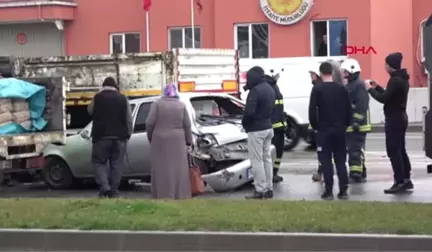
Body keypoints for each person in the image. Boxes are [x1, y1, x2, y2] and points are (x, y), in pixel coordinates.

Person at [366, 52, 413, 194]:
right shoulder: (401, 79)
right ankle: (406, 178)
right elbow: (389, 94)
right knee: (400, 149)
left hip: (394, 119)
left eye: (386, 64)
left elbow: (384, 98)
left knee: (393, 150)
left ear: (390, 66)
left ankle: (399, 181)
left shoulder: (395, 81)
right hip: (401, 117)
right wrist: (377, 87)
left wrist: (370, 90)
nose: (384, 66)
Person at [308, 62, 352, 200]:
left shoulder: (317, 90)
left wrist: (316, 126)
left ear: (321, 73)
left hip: (324, 130)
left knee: (326, 161)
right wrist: (345, 125)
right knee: (341, 161)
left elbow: (312, 111)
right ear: (332, 73)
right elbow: (349, 110)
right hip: (339, 130)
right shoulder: (342, 89)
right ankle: (343, 190)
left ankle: (328, 191)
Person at [145, 83, 193, 199]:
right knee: (178, 170)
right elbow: (187, 125)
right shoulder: (182, 106)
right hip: (178, 141)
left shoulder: (156, 105)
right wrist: (188, 142)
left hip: (159, 141)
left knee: (161, 170)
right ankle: (180, 195)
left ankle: (161, 195)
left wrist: (151, 137)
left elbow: (149, 123)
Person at [88, 77, 133, 198]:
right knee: (116, 164)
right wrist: (128, 133)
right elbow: (128, 118)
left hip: (101, 137)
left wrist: (97, 94)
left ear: (103, 86)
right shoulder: (123, 98)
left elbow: (89, 111)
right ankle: (113, 191)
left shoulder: (98, 97)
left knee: (98, 162)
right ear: (116, 86)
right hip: (119, 137)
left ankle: (105, 187)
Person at [242, 66, 275, 199]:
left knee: (257, 161)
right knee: (267, 159)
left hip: (256, 129)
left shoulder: (255, 91)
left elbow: (250, 112)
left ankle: (260, 189)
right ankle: (269, 188)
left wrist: (245, 124)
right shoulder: (269, 88)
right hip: (268, 127)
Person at [340, 58, 371, 183]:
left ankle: (356, 174)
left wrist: (356, 121)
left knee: (355, 150)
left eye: (345, 71)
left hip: (358, 125)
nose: (344, 73)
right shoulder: (352, 85)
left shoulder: (358, 86)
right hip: (353, 124)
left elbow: (361, 105)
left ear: (352, 71)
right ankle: (360, 172)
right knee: (355, 149)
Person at [264, 74, 285, 183]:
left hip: (279, 127)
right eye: (277, 75)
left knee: (278, 152)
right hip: (274, 128)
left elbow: (279, 109)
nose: (278, 77)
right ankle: (271, 174)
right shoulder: (270, 88)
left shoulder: (273, 86)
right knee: (272, 152)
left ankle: (274, 173)